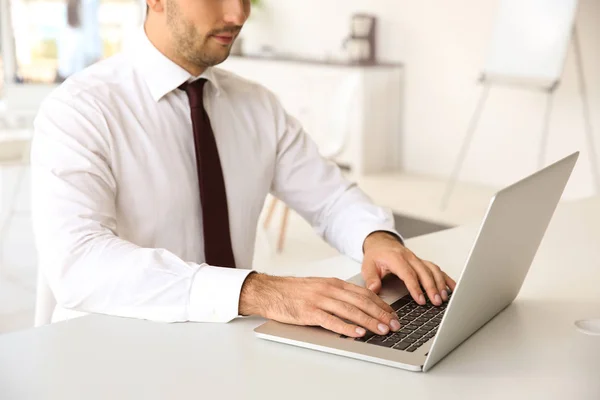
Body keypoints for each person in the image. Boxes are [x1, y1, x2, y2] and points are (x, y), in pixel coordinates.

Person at [31, 0, 456, 338]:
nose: (237, 14)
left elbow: (330, 199)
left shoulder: (257, 105)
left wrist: (376, 239)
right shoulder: (80, 110)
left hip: (228, 342)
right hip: (107, 346)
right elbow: (79, 262)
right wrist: (258, 291)